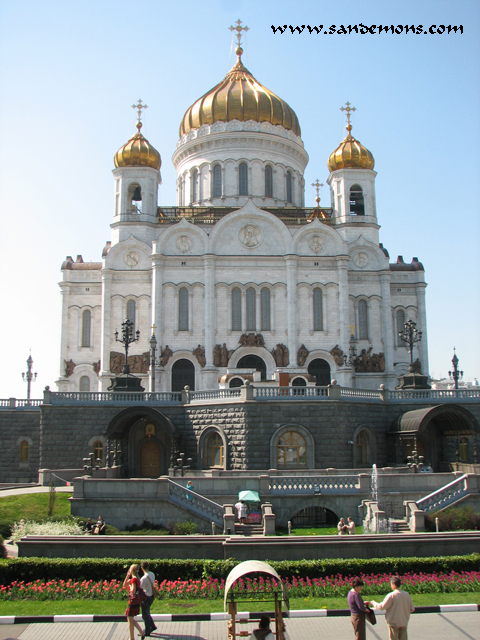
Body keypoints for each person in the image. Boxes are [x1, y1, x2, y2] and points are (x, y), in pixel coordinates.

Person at [368, 576, 415, 640]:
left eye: (391, 584)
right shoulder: (406, 595)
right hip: (404, 622)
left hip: (393, 623)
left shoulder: (391, 595)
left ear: (393, 584)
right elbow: (412, 609)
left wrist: (373, 603)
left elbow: (381, 607)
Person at [123, 564, 145, 640]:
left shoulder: (134, 580)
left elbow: (133, 591)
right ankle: (141, 633)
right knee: (130, 618)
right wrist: (127, 576)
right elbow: (124, 585)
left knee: (129, 618)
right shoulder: (137, 579)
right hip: (136, 601)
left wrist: (129, 584)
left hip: (132, 601)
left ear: (131, 570)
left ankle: (132, 638)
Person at [140, 561, 157, 637]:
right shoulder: (152, 574)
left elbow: (140, 589)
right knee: (147, 612)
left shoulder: (143, 578)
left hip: (146, 597)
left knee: (145, 615)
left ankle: (147, 630)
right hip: (152, 596)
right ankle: (152, 626)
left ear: (141, 568)